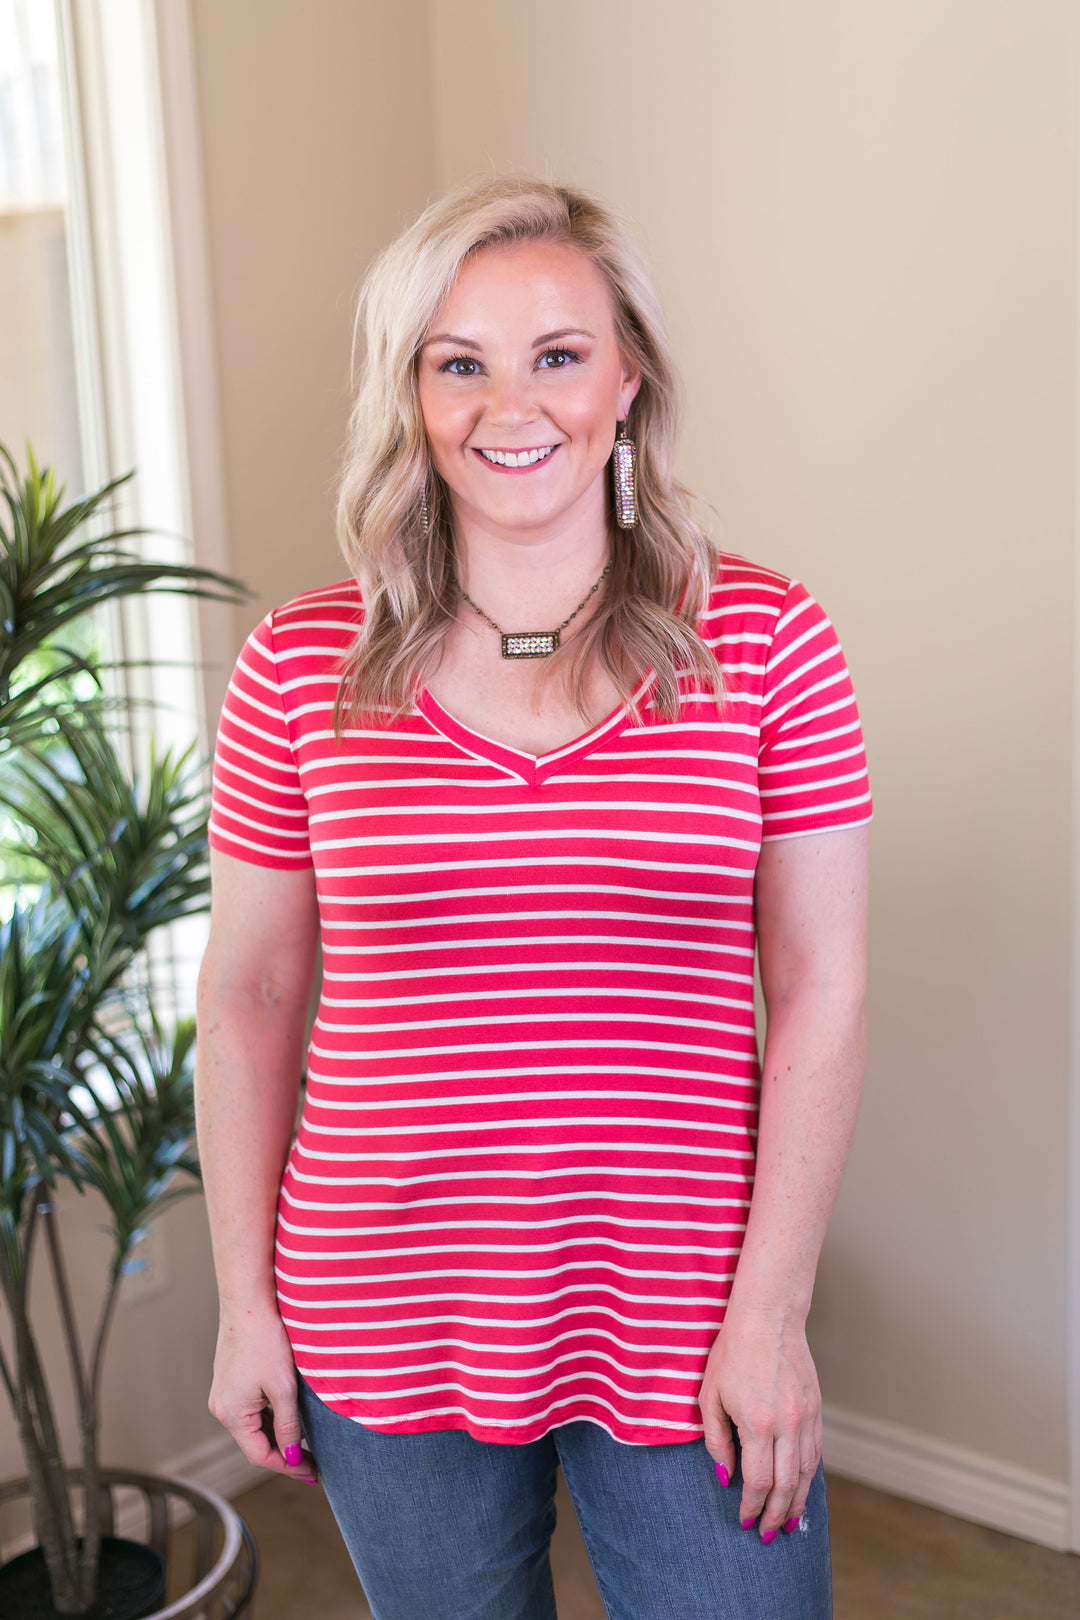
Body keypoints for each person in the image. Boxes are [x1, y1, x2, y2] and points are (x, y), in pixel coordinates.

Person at [197, 176, 871, 1620]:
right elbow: (249, 998)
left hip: (692, 1313)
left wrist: (773, 1314)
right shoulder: (298, 668)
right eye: (461, 362)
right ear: (414, 396)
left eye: (558, 353)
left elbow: (822, 988)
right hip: (382, 1303)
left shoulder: (763, 642)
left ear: (627, 379)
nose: (514, 403)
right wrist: (245, 1307)